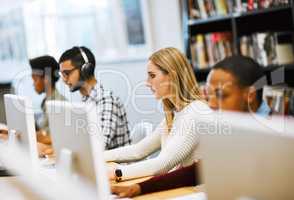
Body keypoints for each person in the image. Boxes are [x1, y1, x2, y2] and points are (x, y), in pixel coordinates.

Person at [111, 55, 271, 198]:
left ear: (249, 95)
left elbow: (163, 164)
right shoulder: (235, 128)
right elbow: (197, 171)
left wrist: (117, 174)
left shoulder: (275, 134)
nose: (212, 104)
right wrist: (138, 188)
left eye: (221, 94)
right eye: (209, 95)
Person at [104, 47, 211, 182]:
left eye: (152, 76)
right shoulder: (174, 114)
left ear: (172, 76)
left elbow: (162, 164)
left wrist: (117, 172)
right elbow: (139, 150)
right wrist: (97, 157)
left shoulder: (195, 112)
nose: (147, 83)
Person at [59, 46, 131, 150]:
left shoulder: (106, 101)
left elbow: (98, 146)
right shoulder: (86, 101)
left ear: (85, 69)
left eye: (66, 73)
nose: (64, 80)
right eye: (62, 74)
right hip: (100, 164)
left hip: (117, 165)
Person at [29, 55, 66, 156]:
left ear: (46, 79)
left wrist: (26, 135)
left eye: (34, 78)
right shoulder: (47, 101)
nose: (33, 83)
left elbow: (53, 138)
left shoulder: (58, 104)